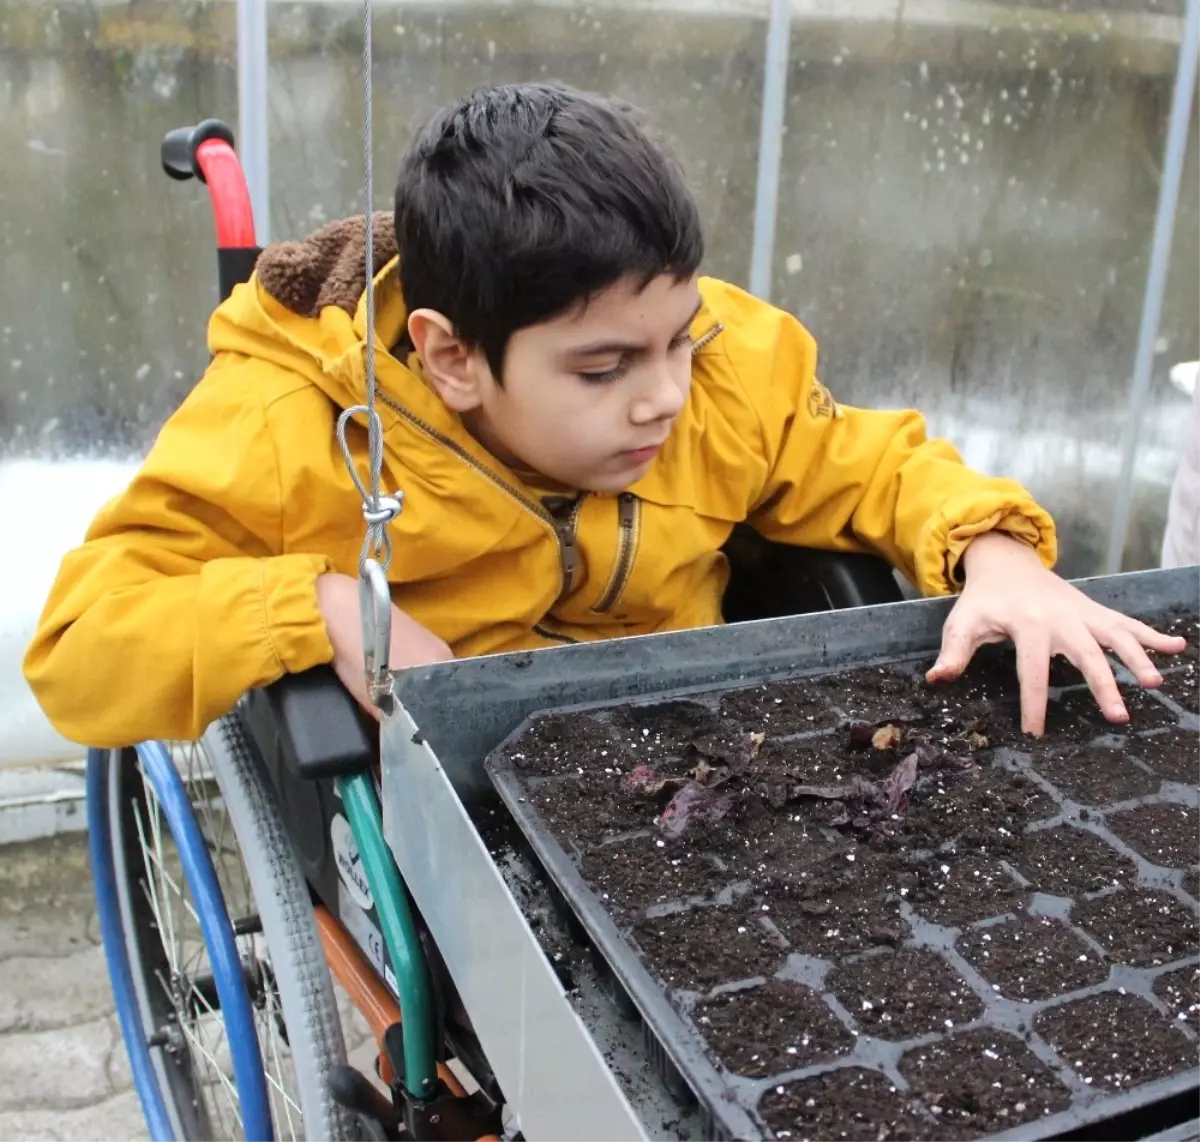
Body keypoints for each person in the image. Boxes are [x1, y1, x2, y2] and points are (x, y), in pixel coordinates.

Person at [24, 82, 1183, 748]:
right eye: (604, 368)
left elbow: (867, 460)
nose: (666, 394)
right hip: (464, 786)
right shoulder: (296, 423)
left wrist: (994, 551)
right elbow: (80, 647)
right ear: (454, 357)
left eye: (677, 338)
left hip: (689, 739)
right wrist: (323, 602)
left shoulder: (715, 360)